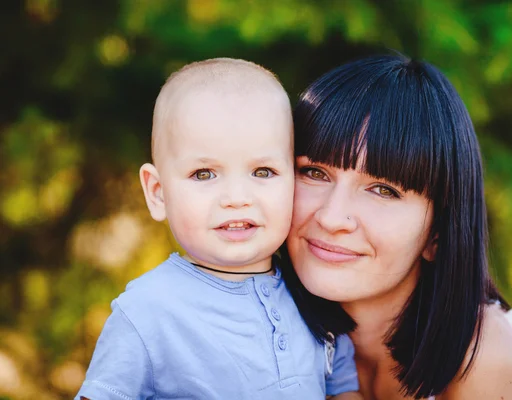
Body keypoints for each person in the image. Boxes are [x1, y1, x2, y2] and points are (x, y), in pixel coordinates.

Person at [284, 53, 512, 399]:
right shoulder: (264, 323)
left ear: (438, 232)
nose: (332, 217)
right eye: (314, 173)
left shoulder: (485, 362)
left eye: (383, 190)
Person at [76, 58, 361, 400]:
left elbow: (343, 390)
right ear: (158, 192)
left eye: (263, 171)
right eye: (204, 174)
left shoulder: (312, 293)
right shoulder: (148, 312)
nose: (237, 198)